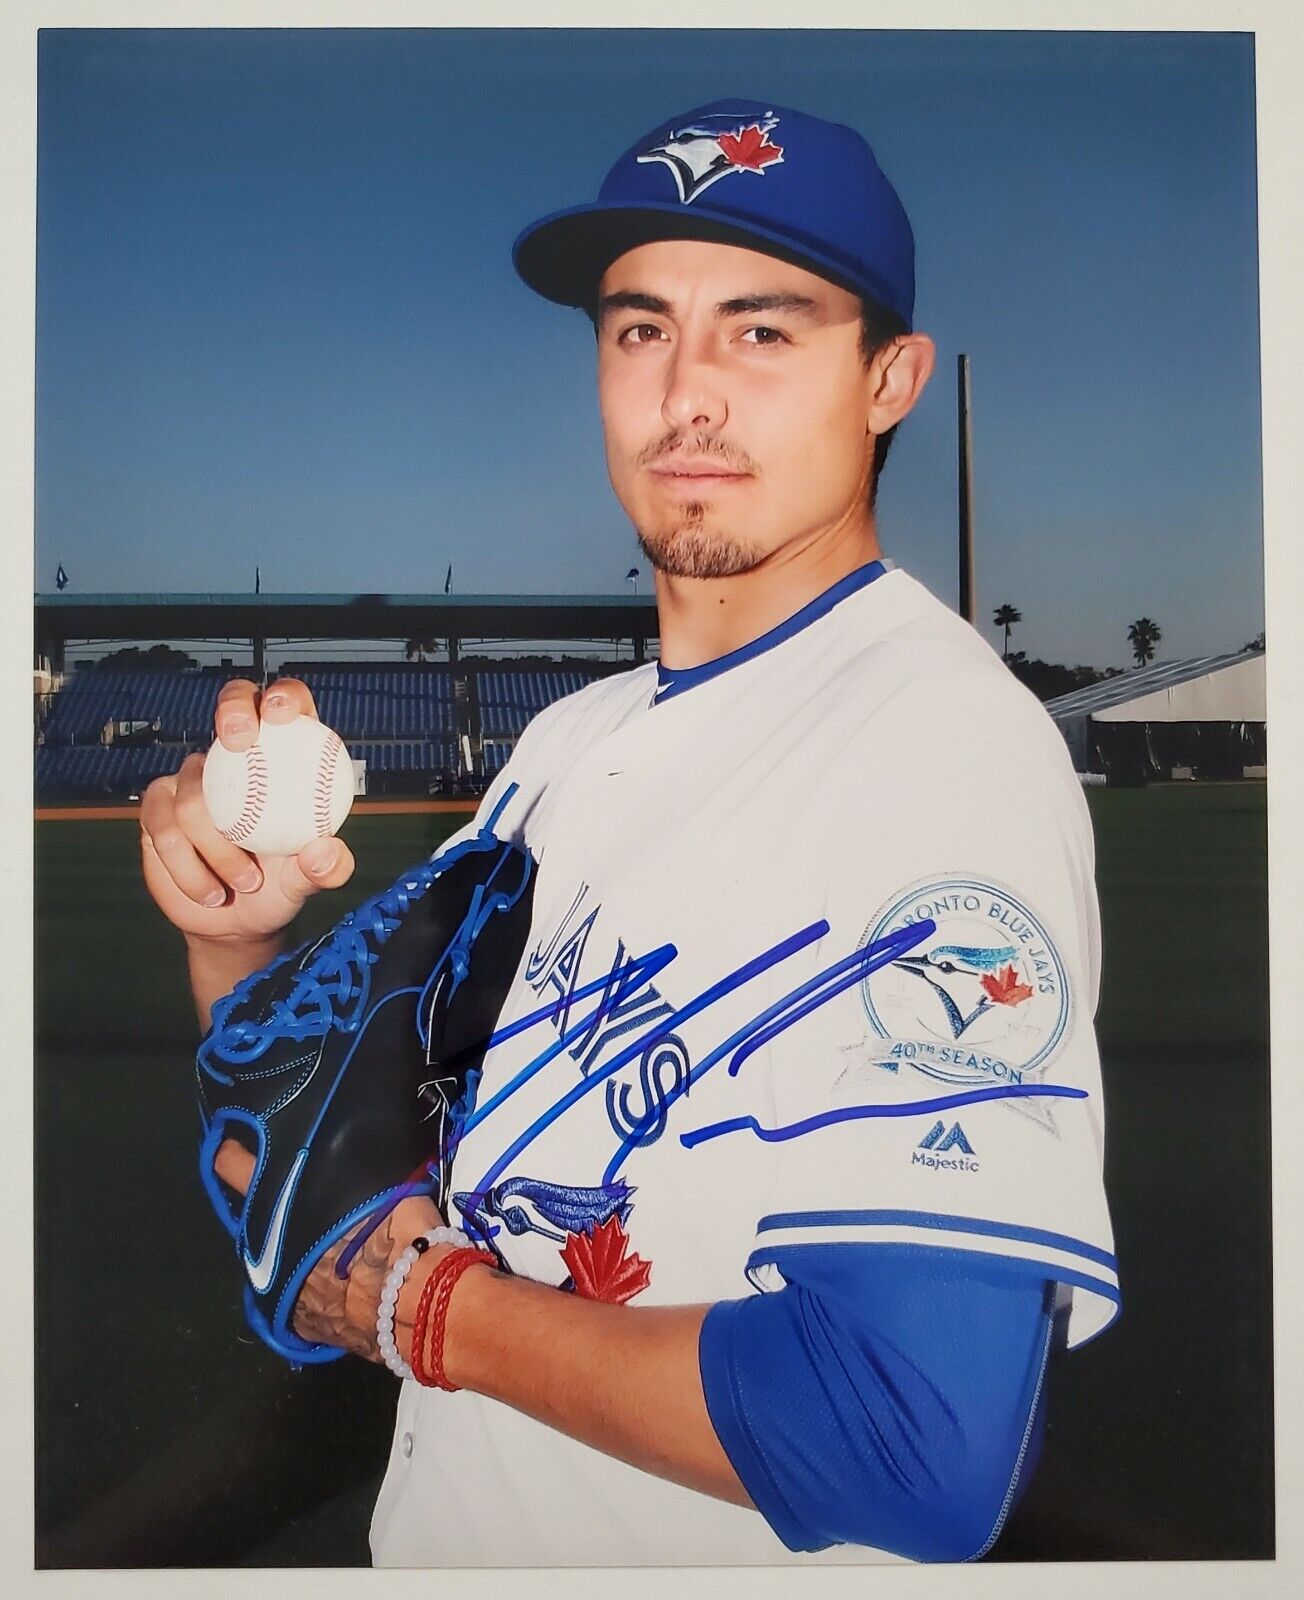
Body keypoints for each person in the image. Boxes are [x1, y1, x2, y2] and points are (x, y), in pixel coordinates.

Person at [141, 99, 1119, 1567]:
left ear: (890, 378)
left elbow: (915, 1436)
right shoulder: (566, 747)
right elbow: (320, 1182)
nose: (689, 395)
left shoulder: (935, 743)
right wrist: (239, 938)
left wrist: (432, 1309)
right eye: (642, 329)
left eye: (764, 330)